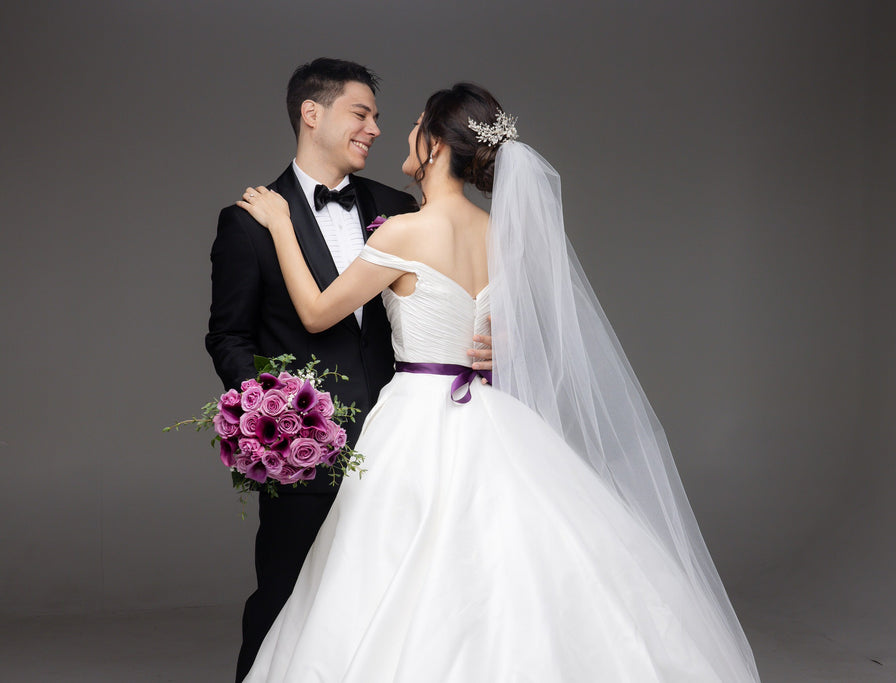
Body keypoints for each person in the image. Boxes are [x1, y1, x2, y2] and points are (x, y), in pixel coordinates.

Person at [236, 83, 760, 681]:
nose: (397, 134)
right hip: (487, 411)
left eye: (411, 127)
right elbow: (513, 329)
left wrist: (280, 224)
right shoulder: (498, 231)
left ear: (434, 145)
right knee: (504, 564)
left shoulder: (404, 231)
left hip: (415, 415)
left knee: (397, 565)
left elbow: (315, 313)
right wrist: (496, 344)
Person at [205, 59, 491, 682]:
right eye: (362, 114)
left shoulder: (399, 210)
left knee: (408, 608)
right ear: (313, 113)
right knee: (286, 605)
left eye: (382, 119)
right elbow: (227, 336)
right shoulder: (250, 221)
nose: (376, 130)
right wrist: (267, 410)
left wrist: (487, 345)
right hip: (306, 448)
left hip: (409, 443)